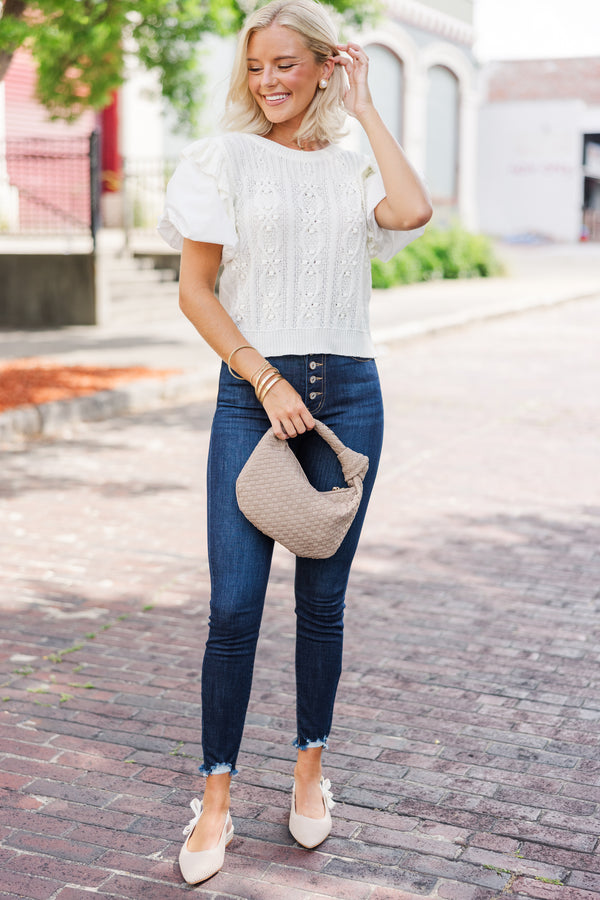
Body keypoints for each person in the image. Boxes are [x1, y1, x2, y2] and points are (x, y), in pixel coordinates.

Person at [158, 0, 431, 884]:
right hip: (253, 398)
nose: (269, 81)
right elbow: (197, 291)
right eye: (257, 66)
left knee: (324, 603)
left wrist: (369, 110)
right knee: (233, 609)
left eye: (288, 63)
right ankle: (216, 800)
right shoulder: (223, 158)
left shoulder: (355, 165)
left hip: (350, 395)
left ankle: (311, 773)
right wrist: (263, 378)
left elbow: (414, 208)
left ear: (323, 65)